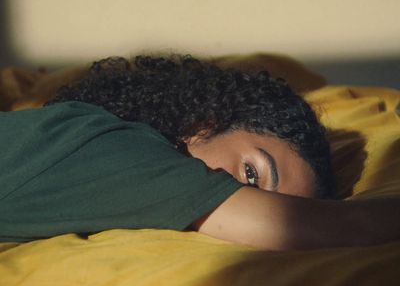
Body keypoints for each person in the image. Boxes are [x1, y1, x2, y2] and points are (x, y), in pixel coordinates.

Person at [0, 55, 398, 250]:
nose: (250, 208)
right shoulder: (102, 147)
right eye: (253, 176)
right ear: (205, 122)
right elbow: (351, 224)